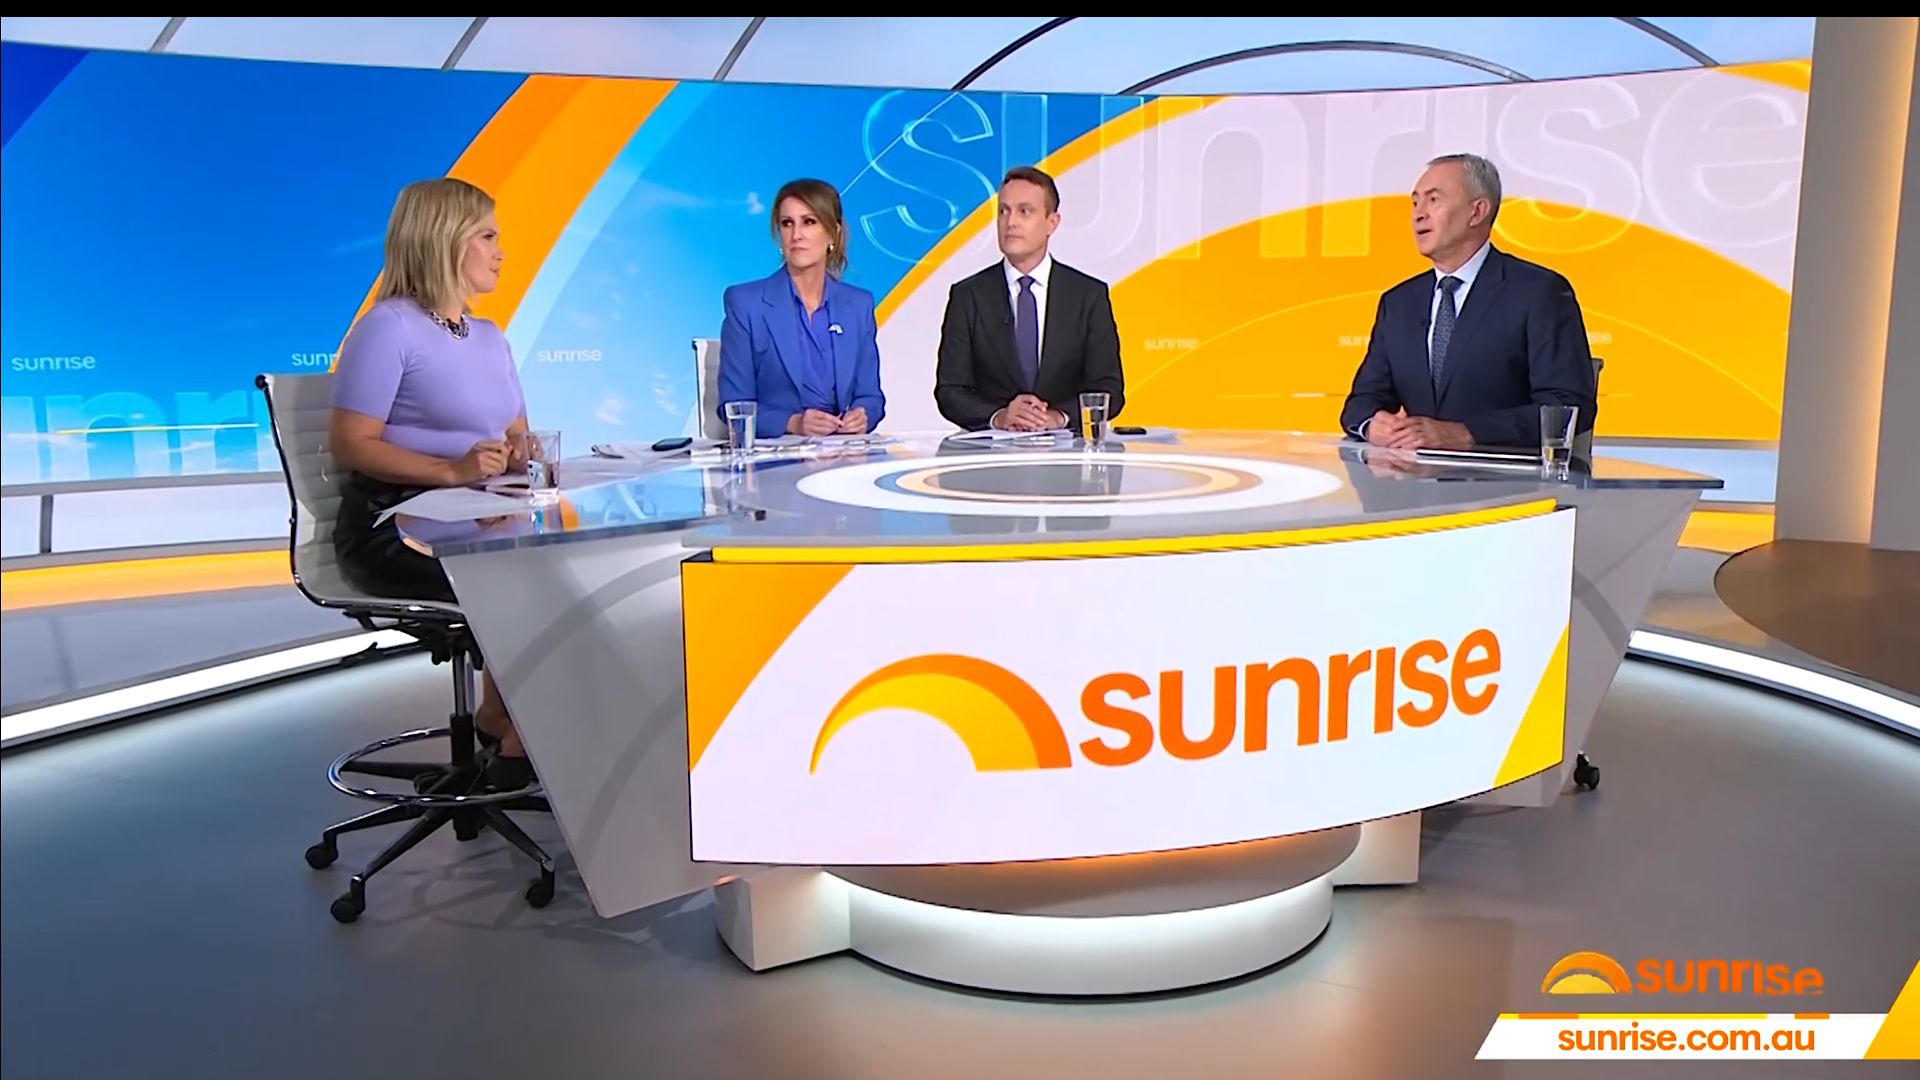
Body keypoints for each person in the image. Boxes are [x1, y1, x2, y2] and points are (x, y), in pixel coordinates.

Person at [328, 177, 533, 785]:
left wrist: (517, 455)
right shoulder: (388, 327)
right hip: (393, 527)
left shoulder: (489, 336)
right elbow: (351, 444)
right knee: (525, 585)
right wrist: (451, 470)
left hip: (475, 515)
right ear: (446, 240)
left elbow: (517, 432)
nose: (500, 251)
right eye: (487, 236)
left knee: (553, 570)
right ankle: (518, 741)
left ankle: (502, 718)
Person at [1338, 153, 1597, 450]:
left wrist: (1465, 433)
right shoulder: (1398, 303)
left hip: (1505, 474)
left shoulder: (1539, 292)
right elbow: (1361, 403)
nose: (1418, 214)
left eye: (1433, 200)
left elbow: (1567, 407)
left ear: (1477, 212)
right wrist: (1372, 425)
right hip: (1413, 475)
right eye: (1415, 202)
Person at [934, 165, 1125, 433]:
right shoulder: (968, 296)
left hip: (1067, 451)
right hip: (991, 451)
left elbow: (1109, 388)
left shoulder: (1088, 296)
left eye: (1025, 211)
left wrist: (1058, 417)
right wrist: (999, 416)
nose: (1010, 222)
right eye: (1004, 211)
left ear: (1052, 222)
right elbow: (950, 391)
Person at [719, 178, 885, 438]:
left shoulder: (858, 305)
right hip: (778, 455)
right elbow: (732, 405)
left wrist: (863, 415)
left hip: (843, 451)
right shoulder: (746, 303)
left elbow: (871, 397)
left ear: (833, 233)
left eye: (809, 222)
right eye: (787, 223)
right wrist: (793, 423)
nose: (796, 235)